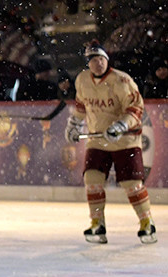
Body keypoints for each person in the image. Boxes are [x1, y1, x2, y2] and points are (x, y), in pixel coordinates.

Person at [64, 41, 157, 244]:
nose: (98, 63)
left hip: (126, 140)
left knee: (132, 184)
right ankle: (98, 223)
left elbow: (135, 109)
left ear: (107, 60)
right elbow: (81, 106)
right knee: (92, 180)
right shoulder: (82, 80)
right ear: (88, 63)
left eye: (101, 59)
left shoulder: (122, 81)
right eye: (93, 60)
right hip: (98, 140)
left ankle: (146, 222)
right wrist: (73, 125)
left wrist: (120, 126)